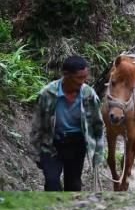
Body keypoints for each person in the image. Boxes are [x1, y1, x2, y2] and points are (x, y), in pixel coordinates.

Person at [30, 56, 104, 191]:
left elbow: (97, 125)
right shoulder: (47, 94)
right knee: (51, 184)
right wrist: (37, 153)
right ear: (66, 75)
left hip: (76, 146)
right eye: (79, 78)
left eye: (85, 77)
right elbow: (37, 126)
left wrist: (98, 153)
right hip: (51, 146)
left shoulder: (88, 94)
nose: (83, 82)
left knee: (74, 186)